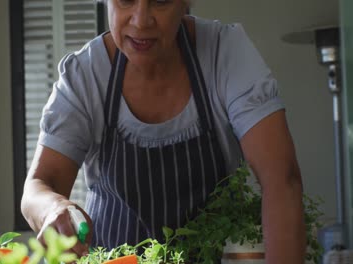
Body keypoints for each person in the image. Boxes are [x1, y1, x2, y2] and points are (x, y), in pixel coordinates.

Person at [21, 0, 305, 263]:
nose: (141, 20)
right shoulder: (86, 75)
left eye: (161, 0)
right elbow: (40, 185)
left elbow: (281, 180)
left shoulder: (224, 54)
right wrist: (52, 208)